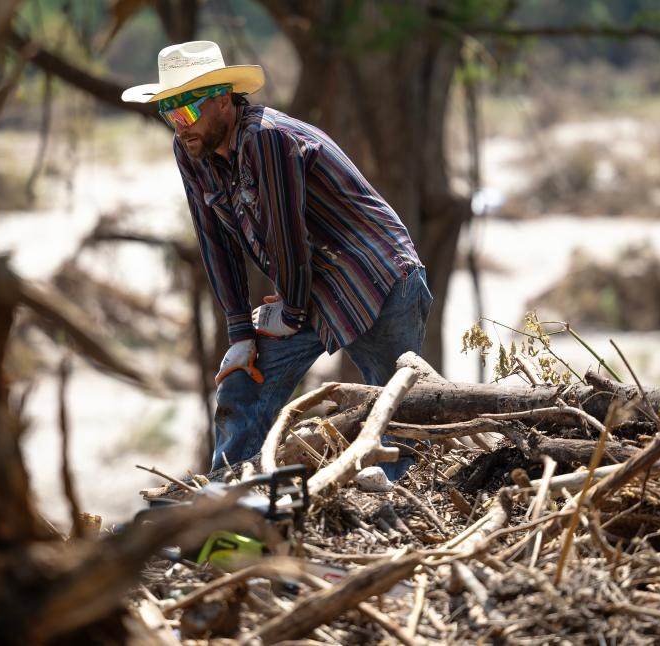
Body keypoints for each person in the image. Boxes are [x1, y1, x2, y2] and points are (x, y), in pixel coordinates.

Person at [123, 41, 432, 476]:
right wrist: (238, 333)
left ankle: (396, 516)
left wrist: (289, 310)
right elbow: (214, 239)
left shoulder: (266, 137)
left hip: (376, 276)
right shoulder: (191, 149)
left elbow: (288, 234)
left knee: (393, 410)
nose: (179, 125)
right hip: (307, 287)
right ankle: (227, 494)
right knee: (241, 383)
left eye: (187, 111)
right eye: (168, 113)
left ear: (223, 100)